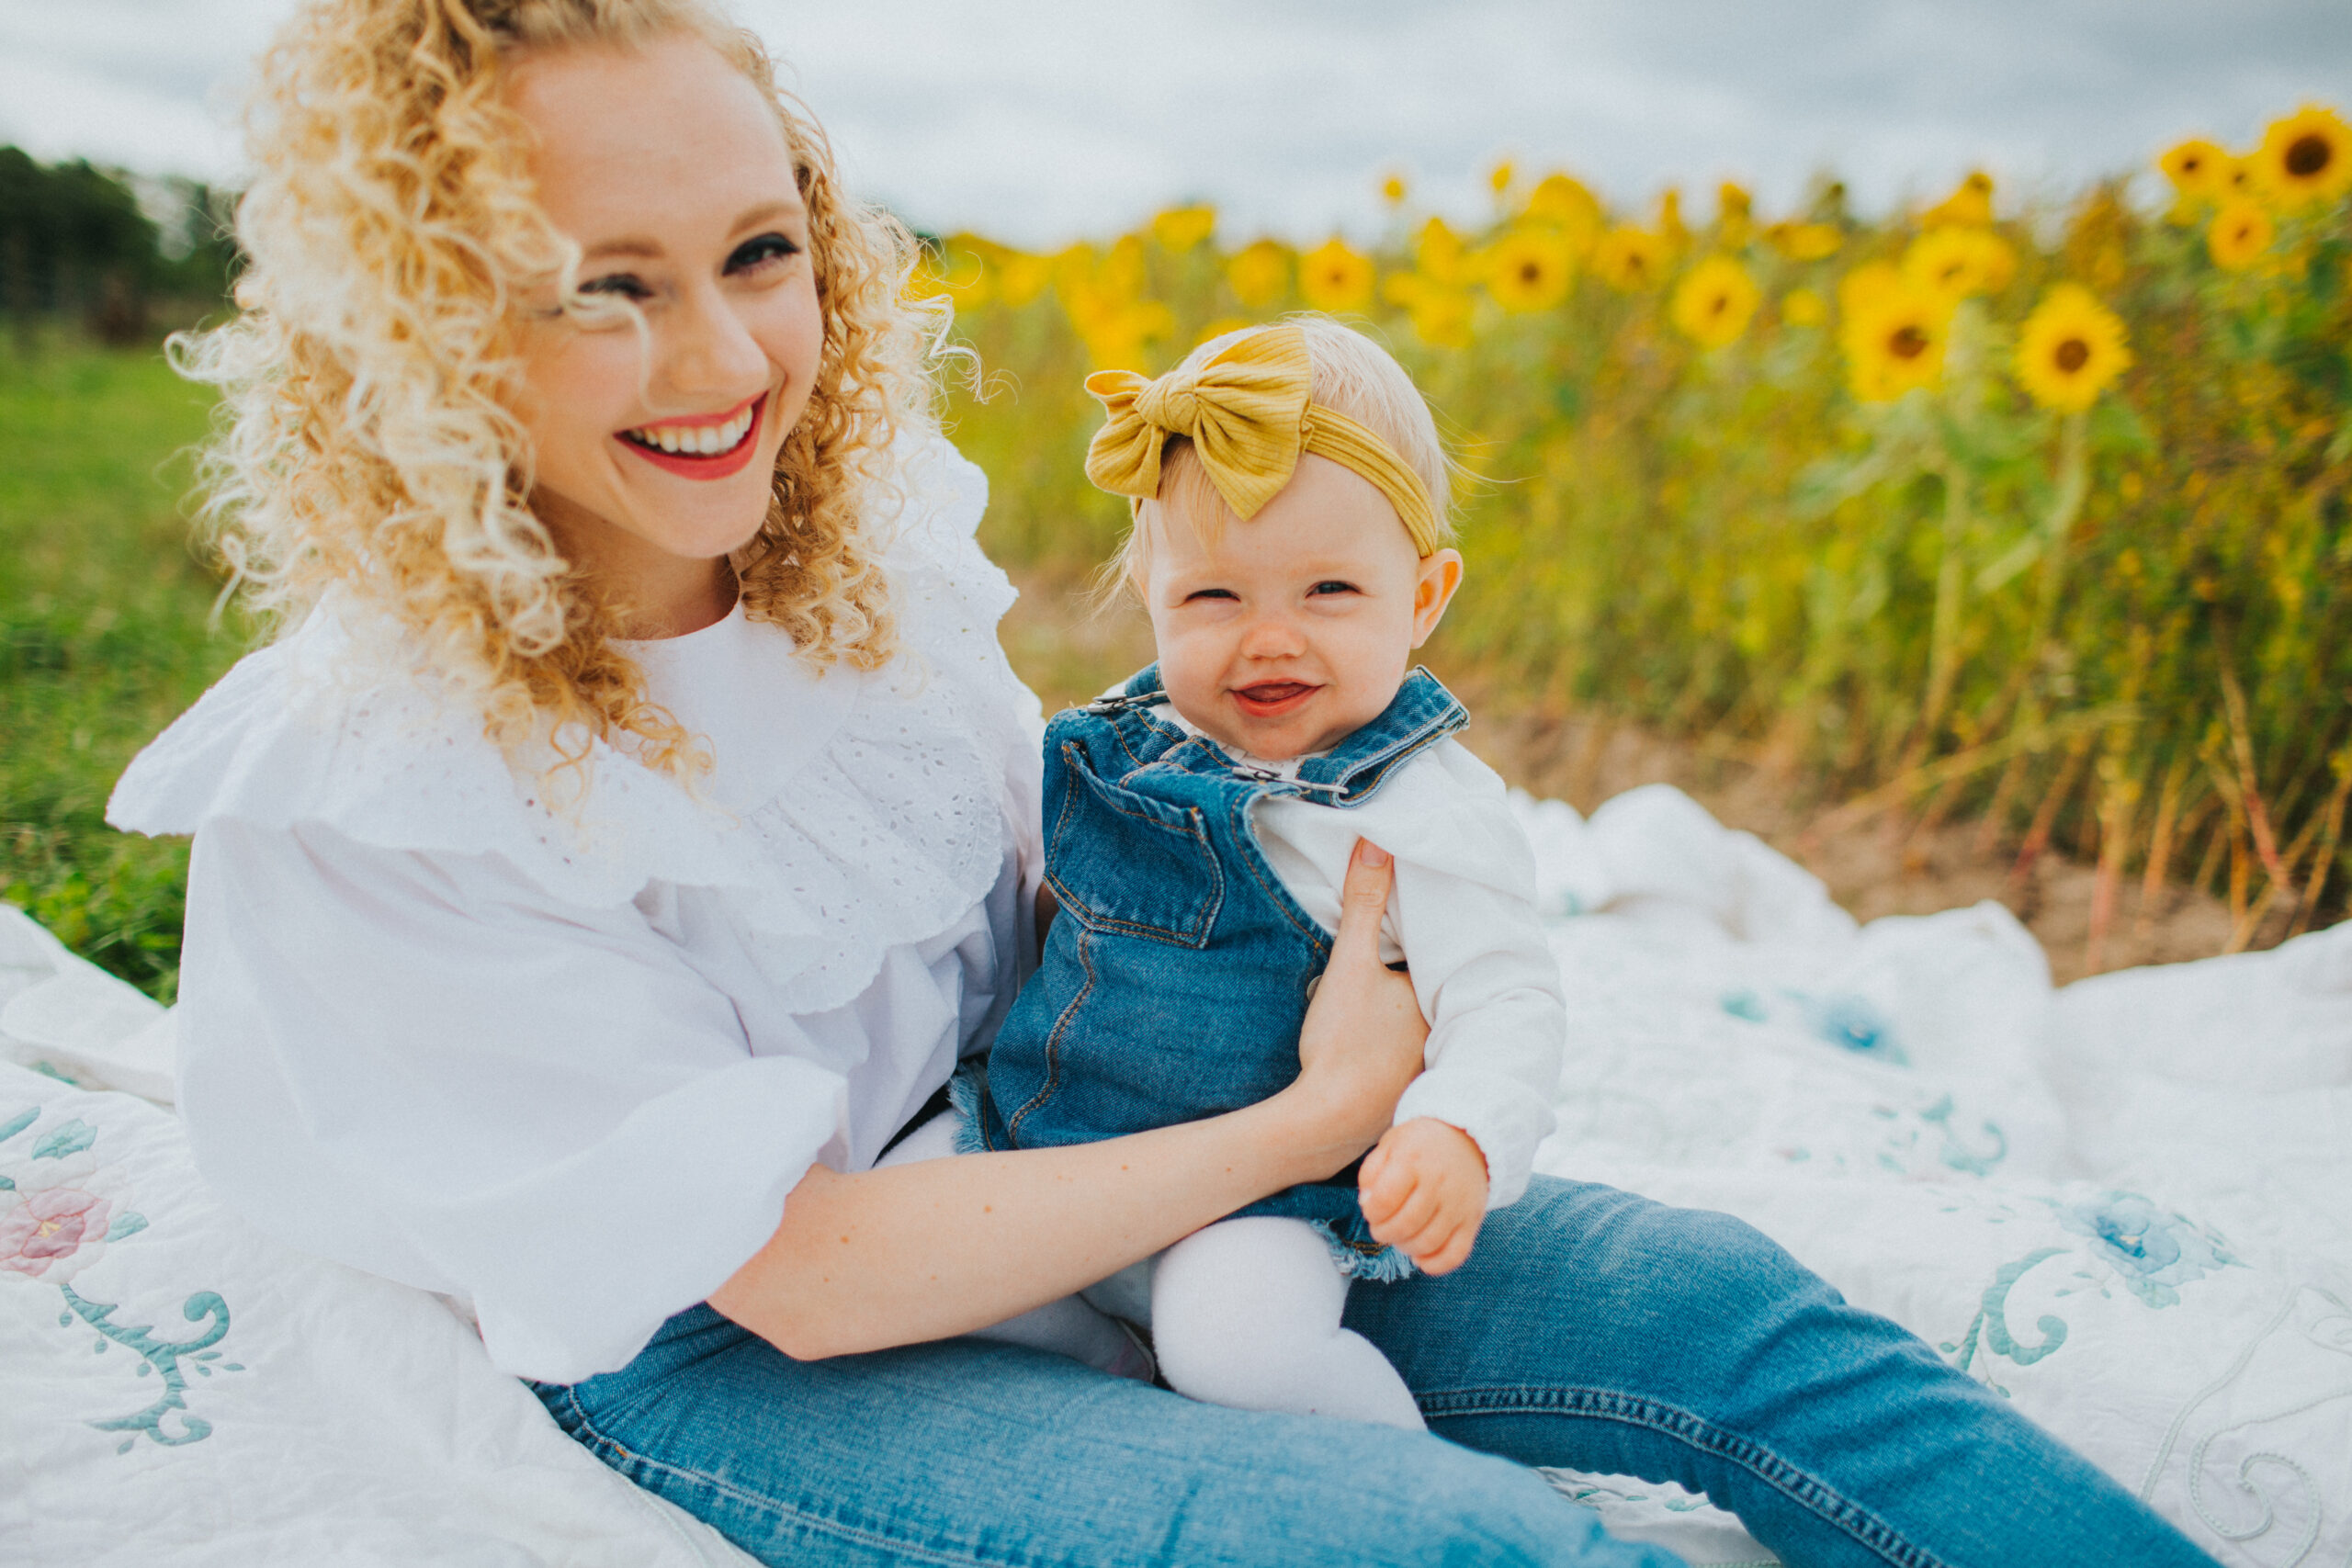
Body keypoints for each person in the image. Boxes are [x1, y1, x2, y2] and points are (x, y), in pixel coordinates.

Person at [106, 1, 2221, 1563]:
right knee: (1461, 1543)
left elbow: (1048, 866)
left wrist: (1364, 922)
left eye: (762, 254)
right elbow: (805, 1268)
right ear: (428, 321)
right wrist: (1299, 1116)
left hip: (1087, 1139)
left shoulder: (860, 559)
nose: (730, 363)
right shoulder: (382, 785)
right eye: (607, 288)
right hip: (774, 1343)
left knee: (1729, 1306)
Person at [965, 318, 1566, 1432]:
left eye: (1330, 591)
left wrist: (1459, 1129)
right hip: (1045, 1158)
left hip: (1247, 1210)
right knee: (926, 1268)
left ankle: (1412, 1497)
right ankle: (1108, 1375)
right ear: (1147, 587)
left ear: (1425, 595)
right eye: (1214, 598)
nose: (1270, 639)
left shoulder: (1417, 807)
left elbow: (1506, 996)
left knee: (1237, 1345)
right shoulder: (1118, 748)